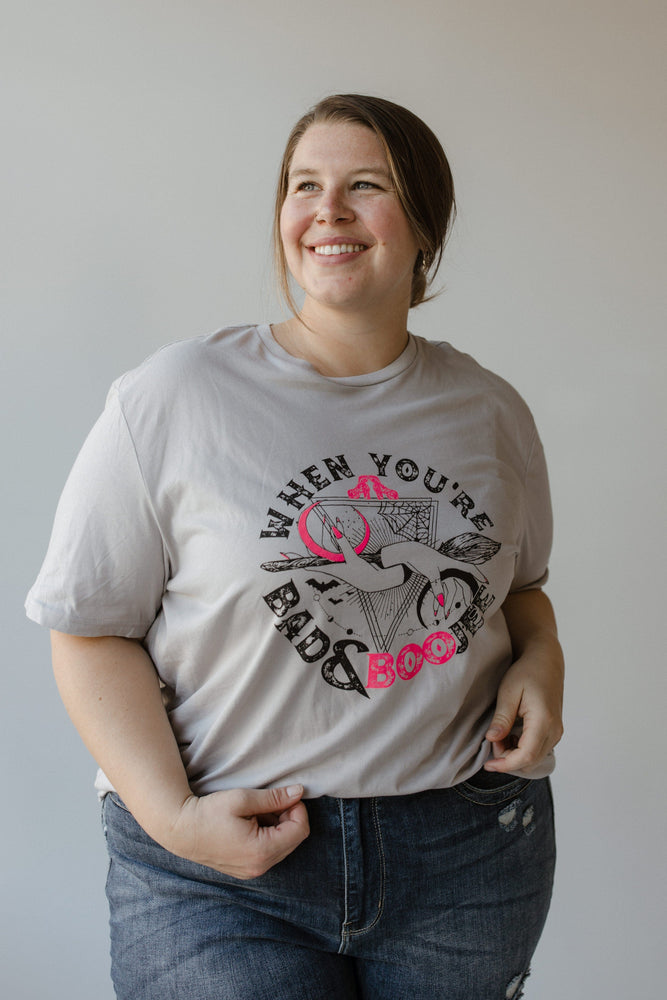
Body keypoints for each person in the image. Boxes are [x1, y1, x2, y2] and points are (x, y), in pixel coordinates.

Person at [26, 94, 564, 1000]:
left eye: (366, 185)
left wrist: (542, 659)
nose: (328, 211)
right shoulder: (172, 397)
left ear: (424, 224)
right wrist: (175, 818)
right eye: (303, 185)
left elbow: (521, 592)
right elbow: (87, 629)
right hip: (219, 872)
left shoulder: (488, 410)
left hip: (465, 854)